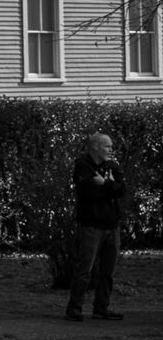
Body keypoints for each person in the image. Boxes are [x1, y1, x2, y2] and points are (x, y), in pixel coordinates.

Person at [66, 131, 128, 321]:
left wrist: (105, 184)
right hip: (91, 225)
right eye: (107, 146)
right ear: (95, 147)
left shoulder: (112, 167)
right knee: (85, 268)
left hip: (112, 225)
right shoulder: (82, 166)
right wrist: (110, 187)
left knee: (107, 270)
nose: (110, 149)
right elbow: (89, 193)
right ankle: (74, 308)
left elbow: (122, 190)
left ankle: (101, 307)